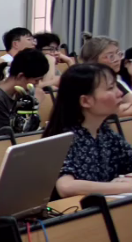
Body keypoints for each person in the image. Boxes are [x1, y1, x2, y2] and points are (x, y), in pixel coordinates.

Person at [43, 63, 132, 197]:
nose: (120, 93)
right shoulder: (64, 138)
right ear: (85, 101)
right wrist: (124, 187)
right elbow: (66, 187)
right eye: (110, 88)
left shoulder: (104, 132)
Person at [0, 49, 50, 131]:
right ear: (20, 76)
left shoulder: (19, 95)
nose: (37, 84)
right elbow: (9, 135)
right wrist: (33, 105)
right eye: (36, 80)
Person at [78, 33, 132, 115]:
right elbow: (103, 113)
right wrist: (118, 110)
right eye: (111, 56)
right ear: (93, 60)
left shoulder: (116, 81)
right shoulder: (87, 83)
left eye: (118, 54)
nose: (117, 59)